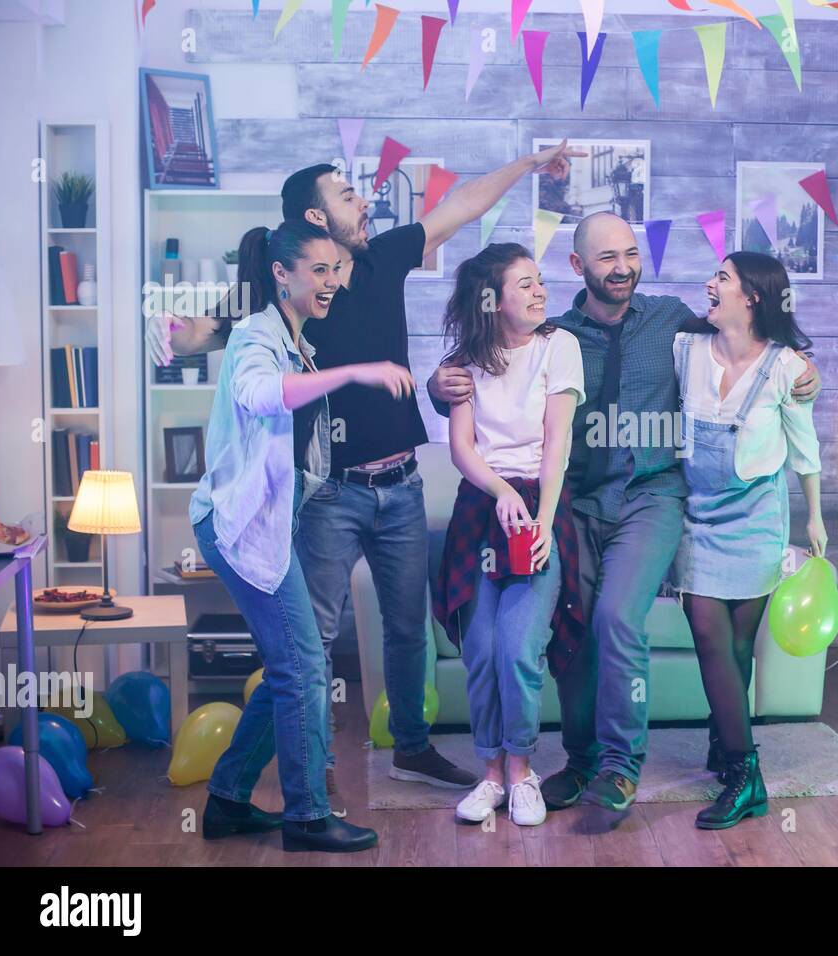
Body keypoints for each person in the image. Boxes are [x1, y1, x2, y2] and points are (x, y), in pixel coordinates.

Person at [148, 143, 583, 800]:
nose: (363, 202)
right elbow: (206, 331)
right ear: (315, 218)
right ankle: (313, 761)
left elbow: (461, 206)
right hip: (330, 493)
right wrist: (167, 331)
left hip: (401, 485)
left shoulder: (383, 258)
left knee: (408, 628)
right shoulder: (288, 289)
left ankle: (412, 748)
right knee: (315, 640)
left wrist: (527, 164)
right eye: (347, 196)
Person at [429, 212, 822, 813]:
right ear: (578, 266)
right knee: (574, 624)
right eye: (607, 257)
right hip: (578, 501)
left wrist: (801, 366)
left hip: (650, 496)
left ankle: (620, 765)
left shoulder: (672, 320)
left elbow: (746, 334)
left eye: (631, 254)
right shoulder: (555, 337)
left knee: (617, 616)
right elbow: (485, 372)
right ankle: (581, 760)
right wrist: (439, 385)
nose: (623, 268)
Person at [192, 219, 414, 852]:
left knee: (291, 666)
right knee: (304, 667)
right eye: (318, 270)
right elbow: (263, 396)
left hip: (267, 524)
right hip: (238, 527)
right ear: (281, 274)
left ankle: (228, 800)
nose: (332, 281)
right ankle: (308, 817)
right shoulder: (255, 336)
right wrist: (354, 372)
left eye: (334, 269)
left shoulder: (296, 339)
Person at [432, 243, 585, 826]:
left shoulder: (559, 346)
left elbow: (557, 442)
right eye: (525, 283)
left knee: (519, 648)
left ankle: (522, 772)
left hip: (540, 508)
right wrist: (500, 493)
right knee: (480, 650)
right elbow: (461, 448)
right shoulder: (464, 362)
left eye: (539, 280)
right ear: (492, 299)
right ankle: (491, 774)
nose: (540, 290)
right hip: (482, 508)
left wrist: (543, 519)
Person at [672, 251, 826, 829]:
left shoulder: (786, 367)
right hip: (698, 519)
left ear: (752, 297)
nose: (709, 284)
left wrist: (814, 518)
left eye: (722, 278)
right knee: (710, 637)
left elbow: (804, 446)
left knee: (738, 648)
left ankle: (724, 742)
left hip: (759, 519)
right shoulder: (685, 349)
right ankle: (747, 775)